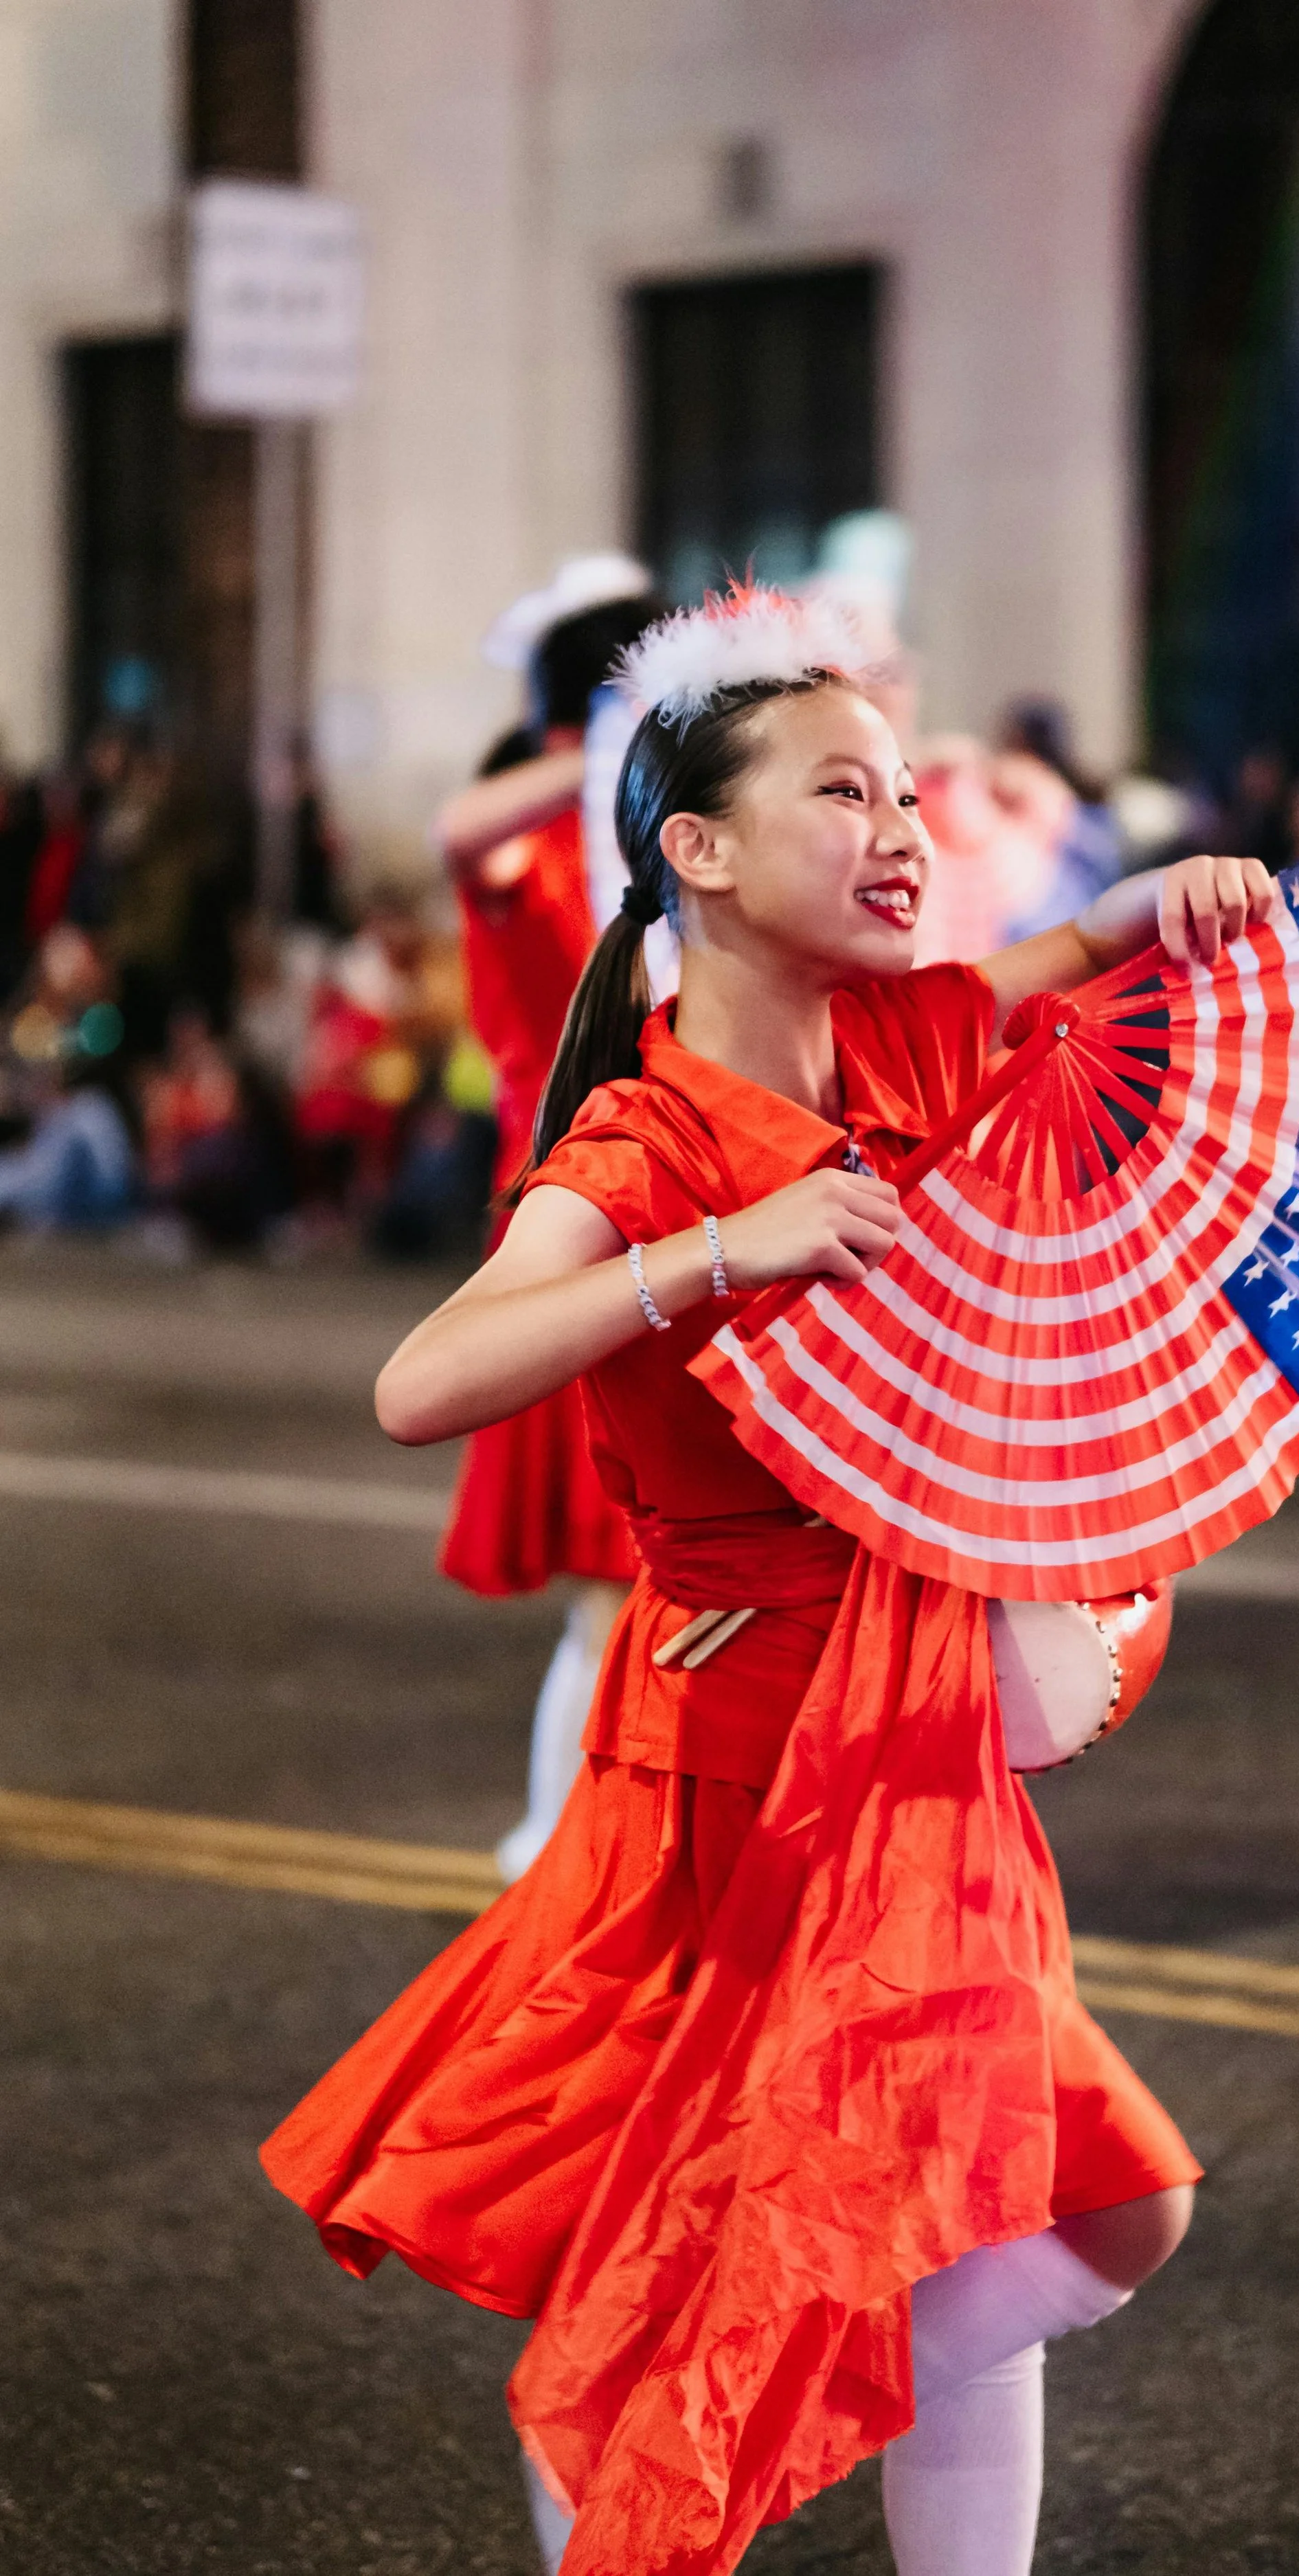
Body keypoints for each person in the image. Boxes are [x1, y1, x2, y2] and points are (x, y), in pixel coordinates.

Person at [262, 582, 1276, 2576]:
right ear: (695, 852)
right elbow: (417, 1378)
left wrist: (1182, 899)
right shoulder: (640, 1136)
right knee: (684, 2272)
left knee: (1057, 2199)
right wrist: (721, 1251)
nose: (900, 827)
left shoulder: (912, 1034)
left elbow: (1066, 951)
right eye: (844, 789)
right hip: (725, 1780)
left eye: (905, 788)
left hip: (921, 1758)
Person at [436, 558, 668, 1880]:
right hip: (570, 1236)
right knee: (615, 1589)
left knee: (649, 1587)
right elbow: (460, 835)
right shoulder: (539, 849)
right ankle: (557, 1853)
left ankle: (583, 1850)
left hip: (647, 1230)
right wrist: (600, 748)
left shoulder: (630, 854)